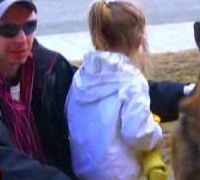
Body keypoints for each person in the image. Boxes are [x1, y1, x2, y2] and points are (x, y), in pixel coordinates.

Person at [0, 0, 192, 179]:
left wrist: (188, 94)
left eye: (30, 26)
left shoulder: (47, 67)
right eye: (8, 30)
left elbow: (116, 90)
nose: (22, 39)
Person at [66, 1, 184, 179]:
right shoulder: (131, 81)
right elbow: (137, 132)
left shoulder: (81, 76)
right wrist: (155, 131)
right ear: (139, 41)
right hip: (118, 173)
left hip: (84, 171)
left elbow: (70, 113)